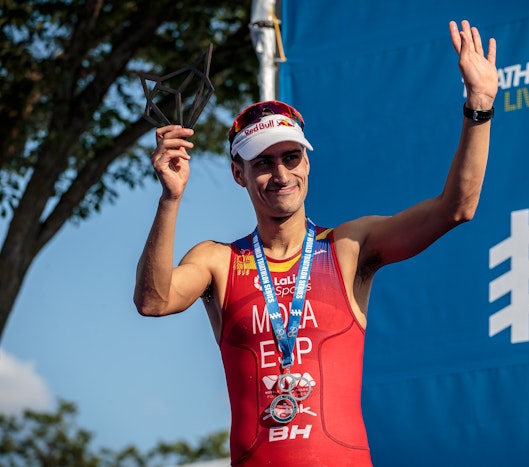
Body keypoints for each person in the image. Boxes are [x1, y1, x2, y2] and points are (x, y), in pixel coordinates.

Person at [134, 19, 497, 466]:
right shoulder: (218, 261)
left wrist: (479, 106)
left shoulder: (349, 246)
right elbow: (153, 301)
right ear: (238, 174)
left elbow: (456, 209)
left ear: (307, 162)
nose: (281, 174)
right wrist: (170, 199)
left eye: (291, 157)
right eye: (263, 163)